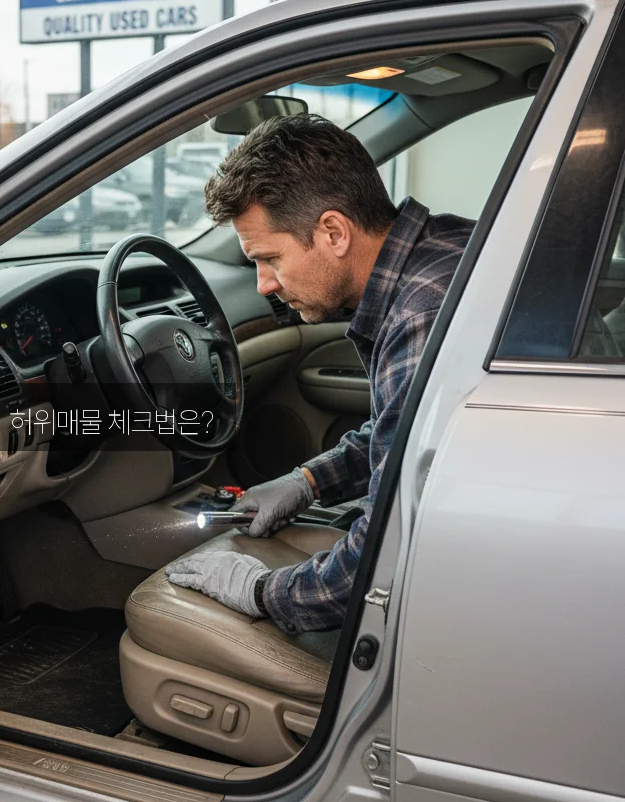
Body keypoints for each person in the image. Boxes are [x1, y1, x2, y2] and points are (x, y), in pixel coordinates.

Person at [166, 114, 474, 635]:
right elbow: (405, 436)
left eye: (269, 259)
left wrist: (259, 590)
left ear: (333, 232)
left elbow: (382, 556)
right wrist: (306, 481)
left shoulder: (422, 317)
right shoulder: (441, 250)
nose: (263, 285)